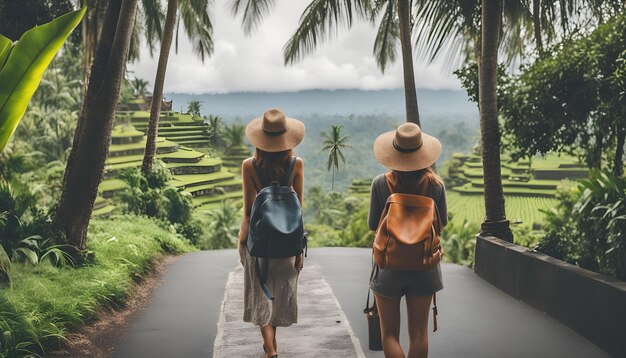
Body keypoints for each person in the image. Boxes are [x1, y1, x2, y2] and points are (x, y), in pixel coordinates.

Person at [368, 122, 448, 358]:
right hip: (425, 265)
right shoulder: (436, 185)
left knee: (390, 334)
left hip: (388, 265)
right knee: (419, 334)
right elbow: (440, 224)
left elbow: (374, 224)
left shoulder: (380, 183)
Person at [237, 109, 305, 358]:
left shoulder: (249, 166)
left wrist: (242, 242)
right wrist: (299, 251)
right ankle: (271, 347)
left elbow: (247, 211)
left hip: (259, 241)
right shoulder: (296, 164)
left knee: (261, 293)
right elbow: (299, 210)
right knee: (276, 295)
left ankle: (270, 348)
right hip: (287, 241)